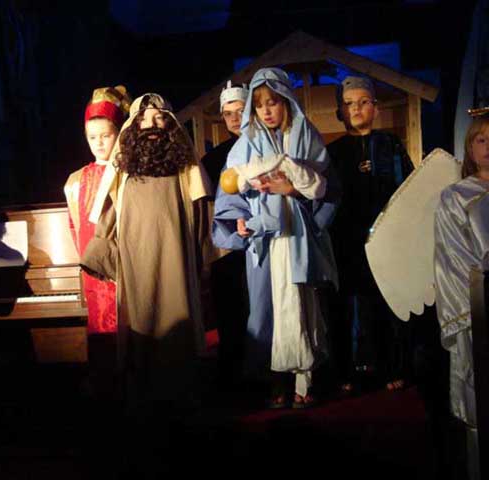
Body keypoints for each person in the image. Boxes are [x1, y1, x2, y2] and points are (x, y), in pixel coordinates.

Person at [213, 67, 338, 409]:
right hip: (266, 241)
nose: (267, 111)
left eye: (273, 102)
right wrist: (239, 219)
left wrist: (293, 190)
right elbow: (231, 190)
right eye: (260, 105)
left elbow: (326, 189)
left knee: (302, 306)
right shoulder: (246, 145)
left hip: (299, 237)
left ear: (286, 102)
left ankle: (305, 378)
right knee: (267, 309)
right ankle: (274, 380)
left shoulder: (306, 136)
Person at [81, 93, 212, 415]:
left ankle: (182, 399)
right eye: (144, 120)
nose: (152, 125)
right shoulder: (124, 168)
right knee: (141, 321)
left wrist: (201, 260)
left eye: (159, 118)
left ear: (171, 124)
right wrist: (100, 251)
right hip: (137, 261)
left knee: (179, 321)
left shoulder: (185, 167)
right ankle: (144, 402)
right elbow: (108, 213)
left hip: (176, 260)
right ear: (133, 126)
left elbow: (201, 213)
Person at [327, 76, 414, 394]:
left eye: (364, 102)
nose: (357, 109)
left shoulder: (391, 145)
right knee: (348, 305)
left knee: (386, 302)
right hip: (346, 242)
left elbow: (408, 189)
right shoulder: (332, 152)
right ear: (340, 111)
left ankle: (392, 365)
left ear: (375, 108)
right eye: (349, 103)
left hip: (386, 239)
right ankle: (348, 371)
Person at [433, 113, 489, 480]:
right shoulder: (456, 197)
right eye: (482, 140)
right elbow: (452, 257)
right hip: (479, 309)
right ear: (469, 148)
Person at [64, 85, 131, 335]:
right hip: (93, 268)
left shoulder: (129, 174)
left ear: (118, 134)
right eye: (92, 137)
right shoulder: (75, 180)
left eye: (106, 135)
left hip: (124, 267)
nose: (99, 143)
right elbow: (74, 227)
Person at [200, 81, 250, 390]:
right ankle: (233, 376)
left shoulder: (265, 148)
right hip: (227, 248)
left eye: (240, 111)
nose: (234, 119)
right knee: (230, 311)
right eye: (228, 113)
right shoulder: (212, 159)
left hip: (261, 242)